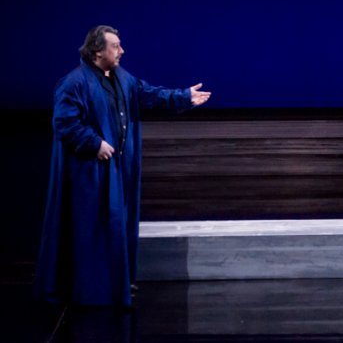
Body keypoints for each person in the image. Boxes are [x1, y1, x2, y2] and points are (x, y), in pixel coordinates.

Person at [34, 25, 211, 307]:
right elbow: (65, 123)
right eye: (115, 46)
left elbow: (149, 94)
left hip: (118, 170)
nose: (122, 51)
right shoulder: (74, 82)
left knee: (117, 225)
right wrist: (94, 143)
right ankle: (91, 292)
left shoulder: (122, 78)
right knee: (92, 229)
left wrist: (183, 96)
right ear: (97, 51)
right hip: (91, 172)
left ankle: (115, 285)